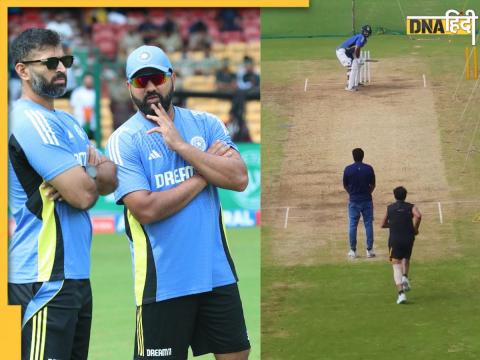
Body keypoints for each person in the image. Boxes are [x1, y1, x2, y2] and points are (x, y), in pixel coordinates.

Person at [105, 45, 251, 360]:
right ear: (129, 87)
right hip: (163, 284)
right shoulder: (123, 140)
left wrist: (181, 146)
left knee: (238, 354)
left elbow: (239, 178)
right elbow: (146, 209)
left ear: (172, 77)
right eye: (141, 82)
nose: (151, 88)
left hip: (217, 274)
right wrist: (204, 174)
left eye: (156, 78)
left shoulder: (206, 123)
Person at [8, 28, 118, 360]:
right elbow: (84, 197)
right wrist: (88, 172)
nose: (61, 68)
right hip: (42, 277)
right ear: (23, 70)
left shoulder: (67, 122)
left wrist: (86, 173)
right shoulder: (25, 120)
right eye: (51, 62)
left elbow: (111, 178)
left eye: (65, 60)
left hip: (74, 277)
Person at [381, 186, 422, 304]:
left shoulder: (390, 208)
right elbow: (418, 216)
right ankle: (405, 276)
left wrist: (393, 225)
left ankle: (401, 294)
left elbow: (382, 224)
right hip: (408, 238)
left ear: (394, 196)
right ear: (405, 195)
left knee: (396, 265)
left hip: (395, 240)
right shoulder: (411, 206)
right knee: (406, 257)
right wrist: (415, 229)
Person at [343, 148, 376, 258]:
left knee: (352, 225)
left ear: (353, 156)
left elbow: (345, 185)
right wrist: (368, 193)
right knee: (368, 224)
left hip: (354, 201)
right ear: (363, 156)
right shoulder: (369, 168)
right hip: (367, 200)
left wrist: (351, 194)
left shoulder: (348, 169)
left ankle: (352, 250)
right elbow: (373, 185)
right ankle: (369, 250)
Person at [336, 24, 372, 91]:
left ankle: (355, 83)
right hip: (342, 51)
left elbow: (353, 49)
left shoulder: (364, 39)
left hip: (347, 52)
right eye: (365, 32)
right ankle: (349, 86)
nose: (366, 33)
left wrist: (356, 58)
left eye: (368, 32)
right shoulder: (362, 37)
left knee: (356, 65)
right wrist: (358, 58)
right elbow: (357, 48)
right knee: (350, 65)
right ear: (362, 31)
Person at [70, 72, 96, 139]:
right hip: (80, 123)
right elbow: (72, 107)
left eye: (90, 79)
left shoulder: (95, 93)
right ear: (84, 80)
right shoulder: (77, 92)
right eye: (87, 79)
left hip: (92, 124)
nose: (89, 81)